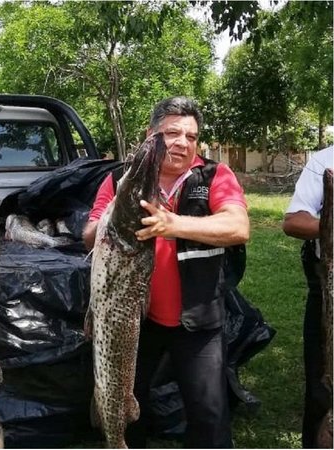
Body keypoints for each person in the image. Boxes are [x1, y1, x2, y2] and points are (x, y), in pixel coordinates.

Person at [83, 96, 249, 448]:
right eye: (172, 133)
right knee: (123, 404)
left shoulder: (214, 175)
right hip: (134, 323)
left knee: (209, 415)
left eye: (191, 136)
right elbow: (88, 235)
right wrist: (112, 221)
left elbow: (238, 227)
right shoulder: (119, 181)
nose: (182, 142)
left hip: (198, 319)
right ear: (150, 136)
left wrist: (172, 224)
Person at [282, 145, 333, 448]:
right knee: (322, 384)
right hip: (329, 288)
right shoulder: (325, 161)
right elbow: (293, 221)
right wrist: (330, 228)